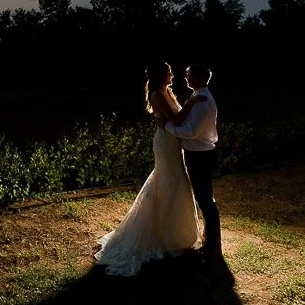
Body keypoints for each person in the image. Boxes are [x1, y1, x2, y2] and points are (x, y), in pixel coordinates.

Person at [94, 61, 201, 276]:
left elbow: (178, 120)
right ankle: (166, 234)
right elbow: (177, 118)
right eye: (169, 72)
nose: (173, 74)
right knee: (170, 181)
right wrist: (192, 102)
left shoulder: (165, 91)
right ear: (162, 75)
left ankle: (172, 231)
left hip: (173, 141)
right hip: (166, 143)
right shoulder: (157, 94)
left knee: (174, 180)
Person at [157, 64, 229, 278]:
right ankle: (211, 241)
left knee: (205, 199)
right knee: (205, 198)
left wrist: (166, 127)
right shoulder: (199, 96)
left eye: (188, 75)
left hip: (200, 155)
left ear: (197, 78)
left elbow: (190, 131)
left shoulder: (202, 102)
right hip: (200, 153)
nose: (185, 77)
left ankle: (212, 244)